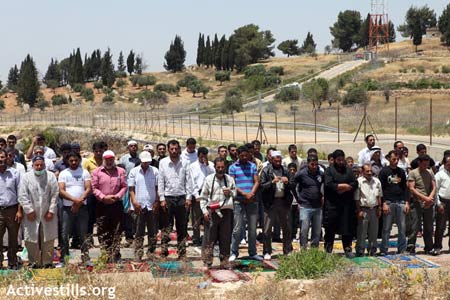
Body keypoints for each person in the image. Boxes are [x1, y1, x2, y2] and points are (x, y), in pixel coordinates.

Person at [18, 156, 59, 268]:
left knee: (48, 237)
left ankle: (47, 262)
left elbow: (55, 194)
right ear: (32, 165)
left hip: (47, 213)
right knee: (31, 238)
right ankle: (34, 262)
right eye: (37, 165)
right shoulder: (26, 177)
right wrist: (29, 210)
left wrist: (51, 210)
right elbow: (22, 195)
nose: (39, 167)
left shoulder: (50, 176)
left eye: (41, 165)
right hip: (31, 214)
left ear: (45, 165)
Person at [92, 150, 127, 263]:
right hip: (102, 204)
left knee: (117, 229)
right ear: (103, 160)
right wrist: (103, 197)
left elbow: (124, 186)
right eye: (107, 159)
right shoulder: (97, 172)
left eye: (111, 159)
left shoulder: (120, 171)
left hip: (116, 204)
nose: (109, 161)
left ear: (114, 159)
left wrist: (117, 196)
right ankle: (105, 254)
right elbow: (94, 188)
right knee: (103, 230)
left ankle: (116, 254)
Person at [57, 152, 92, 267]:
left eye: (76, 160)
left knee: (83, 233)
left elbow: (88, 188)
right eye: (71, 160)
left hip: (82, 207)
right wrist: (74, 200)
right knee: (65, 233)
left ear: (79, 160)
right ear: (67, 161)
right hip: (67, 208)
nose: (73, 162)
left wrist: (79, 201)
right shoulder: (63, 173)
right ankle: (64, 259)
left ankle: (86, 258)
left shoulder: (84, 172)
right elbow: (61, 190)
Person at [201, 157, 236, 269]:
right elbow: (203, 197)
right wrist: (204, 211)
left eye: (222, 167)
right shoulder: (209, 179)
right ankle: (207, 261)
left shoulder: (230, 179)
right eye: (218, 167)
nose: (220, 169)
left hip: (226, 211)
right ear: (215, 167)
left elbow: (235, 194)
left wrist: (230, 192)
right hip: (212, 211)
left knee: (225, 238)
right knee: (209, 237)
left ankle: (224, 261)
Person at [158, 140, 190, 259]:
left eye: (176, 149)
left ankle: (182, 252)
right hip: (168, 197)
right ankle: (164, 250)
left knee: (182, 226)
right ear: (168, 150)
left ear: (179, 149)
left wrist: (189, 197)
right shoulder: (163, 162)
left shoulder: (185, 163)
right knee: (166, 226)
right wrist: (161, 198)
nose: (174, 151)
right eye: (171, 149)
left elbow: (189, 181)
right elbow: (161, 181)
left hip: (182, 197)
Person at [229, 146, 262, 262]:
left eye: (246, 155)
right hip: (239, 201)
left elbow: (257, 181)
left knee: (252, 229)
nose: (244, 157)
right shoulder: (233, 168)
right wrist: (244, 194)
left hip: (252, 201)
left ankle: (252, 252)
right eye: (241, 155)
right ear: (238, 155)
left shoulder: (252, 166)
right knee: (237, 228)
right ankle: (234, 252)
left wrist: (251, 193)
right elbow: (232, 184)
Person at [260, 151, 294, 259]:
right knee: (267, 229)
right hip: (271, 202)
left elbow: (293, 184)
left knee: (287, 228)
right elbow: (261, 186)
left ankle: (287, 250)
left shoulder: (286, 170)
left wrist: (287, 181)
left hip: (284, 202)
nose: (278, 162)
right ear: (272, 160)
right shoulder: (266, 170)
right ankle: (267, 251)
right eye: (276, 160)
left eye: (279, 160)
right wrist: (272, 182)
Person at [323, 150, 357, 258]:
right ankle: (328, 250)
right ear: (334, 160)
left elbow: (355, 183)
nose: (341, 162)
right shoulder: (329, 170)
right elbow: (328, 184)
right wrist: (341, 187)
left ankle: (347, 249)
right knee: (330, 228)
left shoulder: (348, 170)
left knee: (347, 228)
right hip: (332, 205)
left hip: (346, 205)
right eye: (339, 160)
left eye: (342, 159)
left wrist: (347, 187)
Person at [128, 151, 159, 262]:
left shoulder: (155, 171)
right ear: (140, 161)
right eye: (144, 162)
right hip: (138, 205)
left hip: (151, 205)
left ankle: (151, 253)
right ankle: (138, 253)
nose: (146, 164)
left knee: (152, 232)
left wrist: (156, 201)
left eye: (148, 162)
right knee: (138, 232)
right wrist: (134, 202)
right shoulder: (134, 172)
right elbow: (131, 189)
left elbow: (157, 188)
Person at [379, 150, 410, 256]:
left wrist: (406, 202)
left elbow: (405, 188)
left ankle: (401, 249)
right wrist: (383, 203)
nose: (396, 161)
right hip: (388, 202)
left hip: (400, 201)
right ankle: (384, 249)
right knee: (387, 228)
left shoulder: (401, 172)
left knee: (402, 227)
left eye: (397, 159)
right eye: (393, 159)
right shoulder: (384, 171)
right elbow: (381, 189)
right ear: (389, 159)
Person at [406, 154, 436, 255]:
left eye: (427, 165)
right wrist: (425, 198)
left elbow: (434, 186)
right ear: (419, 163)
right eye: (424, 164)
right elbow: (411, 188)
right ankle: (411, 247)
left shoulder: (430, 172)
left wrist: (430, 198)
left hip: (428, 204)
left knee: (428, 227)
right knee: (415, 226)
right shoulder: (413, 173)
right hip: (417, 202)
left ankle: (429, 247)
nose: (425, 167)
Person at [295, 154, 324, 250]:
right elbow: (292, 184)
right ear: (308, 164)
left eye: (316, 164)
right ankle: (303, 250)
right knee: (304, 230)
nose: (314, 166)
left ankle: (314, 251)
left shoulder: (320, 173)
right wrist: (297, 198)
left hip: (318, 207)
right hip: (305, 206)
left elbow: (325, 185)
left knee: (316, 231)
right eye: (312, 164)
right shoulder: (301, 174)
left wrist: (323, 196)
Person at [187, 147, 215, 246]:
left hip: (208, 193)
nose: (203, 158)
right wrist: (195, 195)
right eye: (202, 156)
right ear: (198, 155)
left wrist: (207, 165)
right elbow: (191, 182)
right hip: (197, 193)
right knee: (196, 218)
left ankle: (208, 238)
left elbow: (213, 177)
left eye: (205, 156)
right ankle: (196, 238)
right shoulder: (193, 166)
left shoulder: (210, 165)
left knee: (208, 216)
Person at [0, 149, 22, 269]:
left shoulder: (15, 173)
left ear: (7, 158)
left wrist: (19, 211)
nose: (0, 160)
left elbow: (20, 193)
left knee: (13, 239)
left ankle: (12, 263)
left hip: (13, 210)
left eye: (2, 157)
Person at [354, 163, 382, 256]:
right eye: (367, 171)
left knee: (374, 232)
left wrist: (379, 208)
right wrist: (359, 211)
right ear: (362, 172)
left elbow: (379, 196)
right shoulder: (359, 182)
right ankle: (360, 250)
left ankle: (372, 250)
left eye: (371, 171)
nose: (370, 173)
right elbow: (357, 198)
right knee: (362, 232)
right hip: (363, 209)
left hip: (374, 209)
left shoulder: (377, 181)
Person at [82, 141, 107, 242]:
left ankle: (103, 238)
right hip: (92, 193)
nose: (98, 153)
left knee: (102, 217)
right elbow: (83, 176)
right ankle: (89, 239)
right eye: (96, 151)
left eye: (100, 151)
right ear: (93, 151)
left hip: (104, 193)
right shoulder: (88, 162)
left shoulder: (106, 161)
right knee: (90, 217)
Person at [119, 140, 141, 247]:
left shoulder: (140, 158)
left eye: (135, 146)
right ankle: (127, 235)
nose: (133, 148)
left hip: (137, 188)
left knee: (134, 212)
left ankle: (134, 234)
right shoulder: (123, 159)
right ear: (128, 148)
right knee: (126, 212)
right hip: (125, 188)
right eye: (131, 146)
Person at [434, 156, 450, 255]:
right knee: (440, 226)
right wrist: (438, 203)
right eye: (449, 163)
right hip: (443, 202)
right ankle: (437, 247)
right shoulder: (439, 175)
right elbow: (435, 191)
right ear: (444, 163)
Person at [288, 163, 300, 242]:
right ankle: (289, 236)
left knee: (295, 221)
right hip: (289, 203)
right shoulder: (287, 179)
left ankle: (294, 235)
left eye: (294, 170)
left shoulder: (299, 179)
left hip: (297, 203)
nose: (292, 171)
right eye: (291, 170)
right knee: (289, 221)